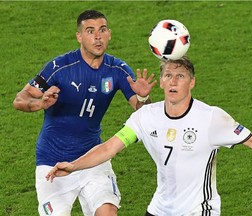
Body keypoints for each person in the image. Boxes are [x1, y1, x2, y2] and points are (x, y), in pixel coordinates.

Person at [46, 56, 252, 216]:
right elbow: (110, 147)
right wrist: (74, 166)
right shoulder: (146, 117)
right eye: (168, 76)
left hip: (198, 210)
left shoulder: (211, 118)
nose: (173, 81)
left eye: (180, 76)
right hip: (160, 209)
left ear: (191, 83)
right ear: (161, 82)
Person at [13, 10, 157, 216]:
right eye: (90, 31)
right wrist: (40, 103)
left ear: (110, 34)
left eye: (102, 30)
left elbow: (145, 117)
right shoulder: (60, 67)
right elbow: (19, 99)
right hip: (52, 164)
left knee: (107, 212)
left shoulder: (118, 69)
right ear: (79, 36)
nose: (97, 36)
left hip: (92, 160)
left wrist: (143, 98)